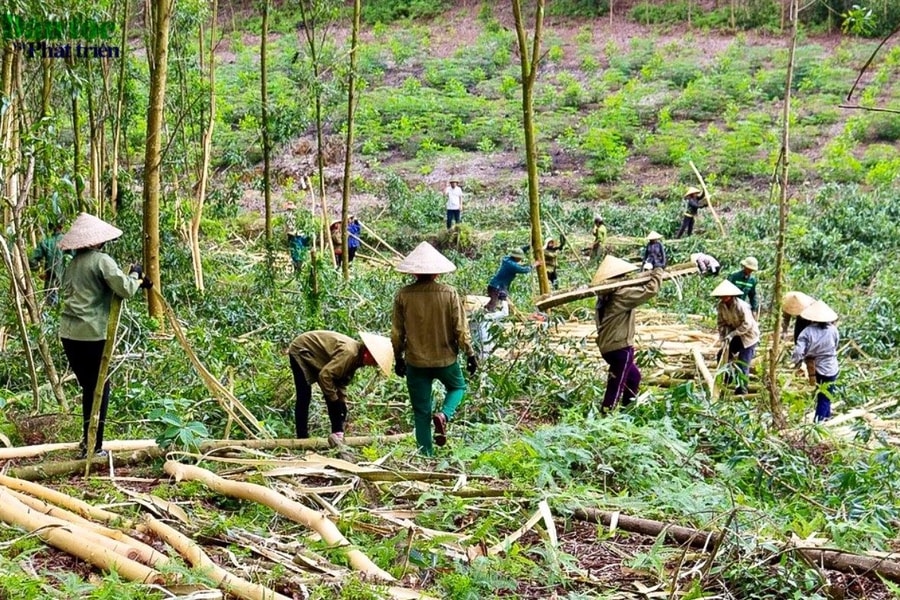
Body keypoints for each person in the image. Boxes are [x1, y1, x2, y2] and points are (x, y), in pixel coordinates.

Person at [57, 213, 152, 458]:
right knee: (99, 388)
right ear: (98, 242)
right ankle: (93, 447)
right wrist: (136, 276)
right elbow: (125, 289)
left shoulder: (72, 264)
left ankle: (87, 443)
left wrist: (140, 281)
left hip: (69, 335)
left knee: (89, 388)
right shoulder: (102, 260)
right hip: (91, 336)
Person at [391, 242, 477, 456]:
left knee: (421, 411)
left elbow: (397, 333)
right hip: (445, 359)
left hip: (415, 361)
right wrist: (470, 353)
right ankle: (444, 415)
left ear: (414, 272)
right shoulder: (449, 294)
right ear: (438, 272)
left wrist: (398, 357)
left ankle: (425, 454)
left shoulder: (403, 295)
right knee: (458, 388)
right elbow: (460, 328)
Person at [288, 330, 392, 443]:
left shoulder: (357, 357)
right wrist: (334, 400)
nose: (373, 365)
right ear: (368, 353)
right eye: (374, 361)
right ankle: (302, 439)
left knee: (336, 401)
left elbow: (340, 381)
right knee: (304, 394)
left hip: (318, 356)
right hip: (302, 350)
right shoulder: (350, 353)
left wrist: (341, 402)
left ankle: (336, 434)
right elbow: (325, 376)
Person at [593, 255, 664, 411]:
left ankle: (627, 411)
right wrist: (658, 272)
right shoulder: (620, 295)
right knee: (616, 386)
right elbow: (651, 290)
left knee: (633, 378)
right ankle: (606, 415)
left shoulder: (605, 296)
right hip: (620, 348)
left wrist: (646, 275)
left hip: (610, 347)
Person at [791, 300, 839, 423]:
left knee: (822, 395)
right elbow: (836, 343)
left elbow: (798, 351)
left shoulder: (807, 331)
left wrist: (797, 362)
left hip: (816, 365)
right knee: (826, 394)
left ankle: (819, 422)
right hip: (832, 365)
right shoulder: (833, 329)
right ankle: (824, 418)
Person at [712, 279, 760, 396]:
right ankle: (727, 378)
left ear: (731, 295)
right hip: (734, 335)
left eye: (726, 296)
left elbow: (747, 324)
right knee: (721, 355)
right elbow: (721, 323)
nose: (723, 298)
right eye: (722, 296)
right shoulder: (721, 306)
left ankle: (742, 390)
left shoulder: (741, 306)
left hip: (748, 337)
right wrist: (723, 337)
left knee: (743, 363)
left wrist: (732, 334)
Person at [29, 220, 71, 305]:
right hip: (67, 282)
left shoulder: (46, 242)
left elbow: (32, 261)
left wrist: (37, 269)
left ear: (50, 228)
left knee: (51, 308)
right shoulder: (69, 242)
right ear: (62, 227)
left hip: (51, 282)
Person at [283, 202, 310, 273]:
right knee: (297, 254)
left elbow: (290, 227)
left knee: (297, 254)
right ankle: (298, 270)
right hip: (295, 236)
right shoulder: (289, 216)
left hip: (297, 236)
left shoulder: (292, 216)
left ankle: (298, 270)